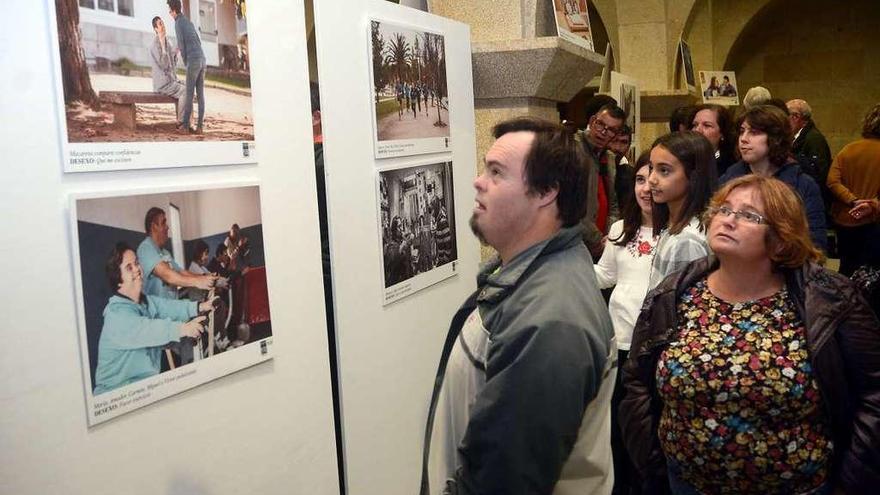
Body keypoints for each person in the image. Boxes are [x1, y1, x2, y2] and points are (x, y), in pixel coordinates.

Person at [621, 175, 880, 494]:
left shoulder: (829, 299)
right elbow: (637, 382)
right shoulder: (676, 292)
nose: (728, 220)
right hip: (685, 483)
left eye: (748, 215)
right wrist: (653, 468)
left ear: (781, 237)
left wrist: (851, 482)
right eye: (724, 210)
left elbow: (873, 393)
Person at [422, 117, 616, 494]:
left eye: (496, 172)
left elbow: (503, 480)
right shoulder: (527, 275)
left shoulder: (550, 322)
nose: (479, 181)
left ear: (546, 192)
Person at [594, 151, 657, 495]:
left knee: (648, 431)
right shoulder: (621, 229)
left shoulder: (686, 233)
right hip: (618, 343)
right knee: (617, 426)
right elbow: (605, 275)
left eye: (654, 179)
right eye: (640, 179)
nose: (646, 188)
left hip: (656, 347)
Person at [93, 243, 213, 395]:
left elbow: (169, 307)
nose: (137, 269)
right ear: (118, 280)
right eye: (129, 267)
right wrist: (183, 329)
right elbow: (146, 329)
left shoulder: (145, 302)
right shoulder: (116, 315)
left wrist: (199, 306)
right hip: (115, 394)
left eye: (136, 263)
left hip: (142, 388)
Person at [720, 105, 827, 251]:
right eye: (742, 132)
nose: (743, 139)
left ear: (775, 138)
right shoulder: (729, 179)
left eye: (754, 132)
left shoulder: (803, 185)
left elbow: (815, 244)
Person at [647, 132, 717, 289]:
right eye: (651, 168)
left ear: (694, 175)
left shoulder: (687, 241)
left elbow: (674, 306)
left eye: (664, 170)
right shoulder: (674, 225)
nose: (651, 179)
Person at [827, 103, 880, 276]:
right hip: (873, 221)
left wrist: (853, 200)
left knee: (846, 268)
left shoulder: (847, 150)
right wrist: (871, 204)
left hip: (845, 220)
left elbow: (832, 181)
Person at [580, 103, 627, 259]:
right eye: (601, 124)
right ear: (593, 121)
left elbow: (613, 203)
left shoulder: (610, 158)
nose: (603, 133)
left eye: (611, 130)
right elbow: (571, 205)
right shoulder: (573, 149)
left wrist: (610, 236)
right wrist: (597, 240)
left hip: (603, 241)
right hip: (578, 241)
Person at [167, 0, 206, 133]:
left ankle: (184, 127)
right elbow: (198, 41)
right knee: (200, 94)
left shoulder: (178, 23)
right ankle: (200, 127)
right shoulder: (188, 22)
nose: (168, 13)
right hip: (202, 59)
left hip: (193, 61)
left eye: (169, 10)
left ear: (173, 10)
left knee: (189, 93)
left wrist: (185, 61)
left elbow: (182, 45)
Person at [787, 99, 833, 205]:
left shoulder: (814, 139)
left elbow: (819, 174)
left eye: (785, 116)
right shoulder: (796, 138)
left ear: (796, 117)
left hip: (811, 200)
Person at [148, 16, 186, 124]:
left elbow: (172, 65)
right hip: (162, 85)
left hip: (171, 81)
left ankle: (187, 122)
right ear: (155, 29)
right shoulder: (154, 45)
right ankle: (181, 123)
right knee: (185, 91)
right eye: (160, 24)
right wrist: (163, 48)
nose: (163, 26)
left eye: (163, 23)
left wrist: (176, 52)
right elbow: (164, 65)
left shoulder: (167, 42)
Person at [691, 103, 736, 176]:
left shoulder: (729, 169)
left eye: (707, 125)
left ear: (722, 133)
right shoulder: (685, 162)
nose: (698, 130)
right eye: (695, 125)